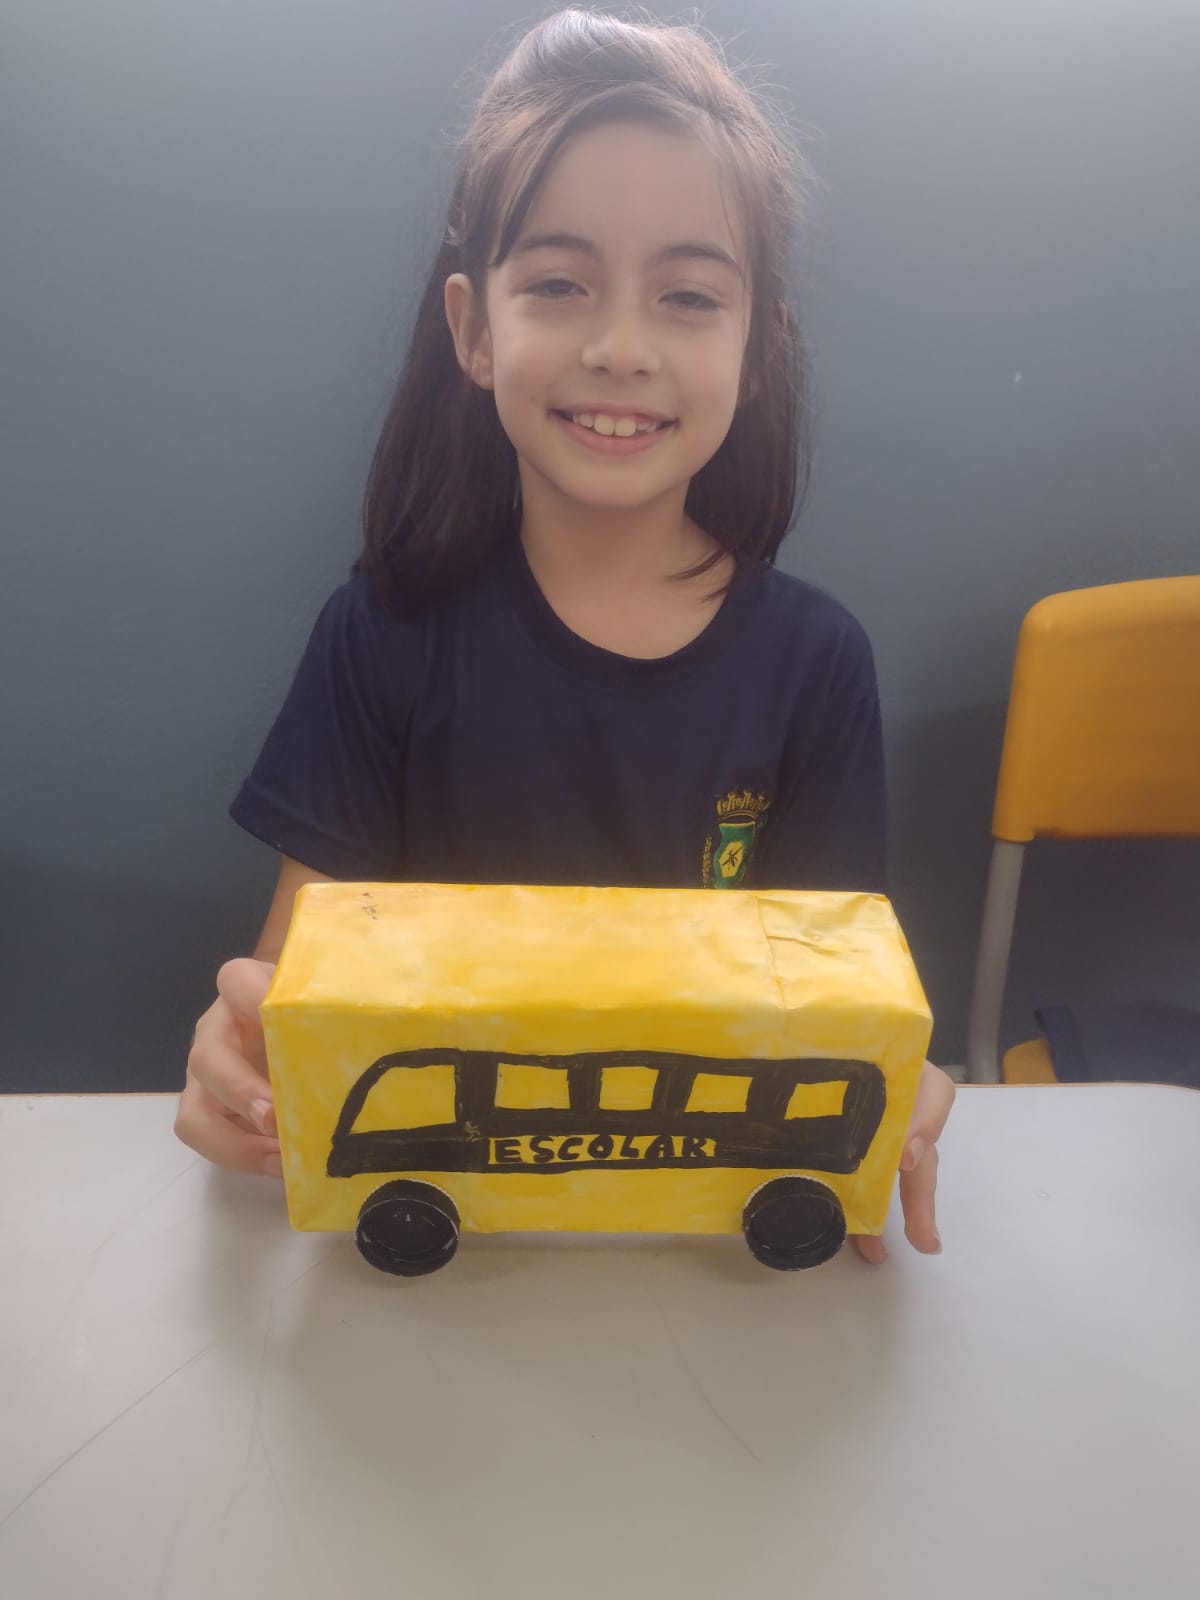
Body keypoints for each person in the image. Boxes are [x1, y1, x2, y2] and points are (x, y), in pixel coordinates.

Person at [176, 6, 954, 1263]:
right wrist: (242, 1058)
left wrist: (899, 1081)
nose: (620, 348)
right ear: (474, 330)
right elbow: (289, 989)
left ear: (757, 348)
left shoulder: (817, 663)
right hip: (455, 1262)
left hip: (701, 1259)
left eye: (688, 296)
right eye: (558, 283)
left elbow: (843, 993)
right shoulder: (381, 638)